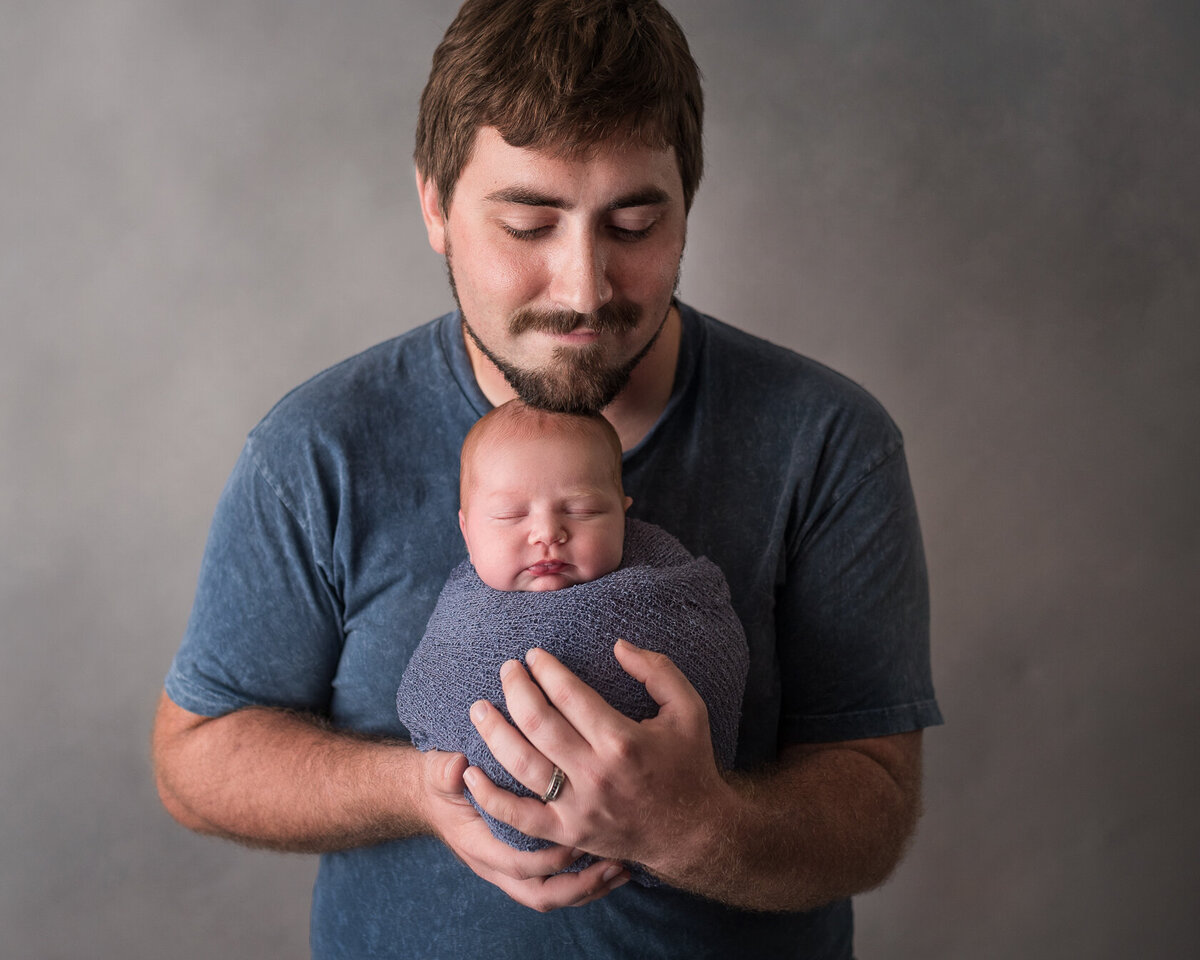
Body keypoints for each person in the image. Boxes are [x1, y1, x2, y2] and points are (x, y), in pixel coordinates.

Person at [151, 1, 943, 957]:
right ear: (436, 206)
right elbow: (195, 760)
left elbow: (875, 794)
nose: (583, 287)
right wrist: (422, 790)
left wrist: (694, 828)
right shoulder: (317, 448)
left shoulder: (826, 442)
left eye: (635, 222)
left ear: (688, 202)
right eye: (529, 223)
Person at [396, 400, 749, 870]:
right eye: (509, 515)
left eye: (581, 510)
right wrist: (426, 789)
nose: (547, 532)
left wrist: (687, 822)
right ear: (466, 528)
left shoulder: (665, 588)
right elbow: (435, 690)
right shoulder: (461, 613)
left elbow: (714, 657)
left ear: (623, 514)